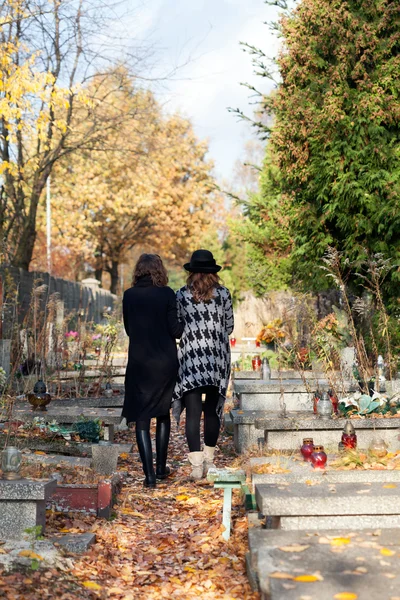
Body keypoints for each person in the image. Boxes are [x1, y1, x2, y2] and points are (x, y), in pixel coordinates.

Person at [122, 254, 183, 487]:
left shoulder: (129, 296)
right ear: (159, 270)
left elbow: (129, 329)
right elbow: (176, 331)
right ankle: (160, 469)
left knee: (142, 418)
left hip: (139, 363)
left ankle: (148, 477)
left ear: (138, 271)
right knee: (162, 412)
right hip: (165, 363)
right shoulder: (167, 294)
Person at [172, 249, 234, 479]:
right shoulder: (224, 294)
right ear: (213, 272)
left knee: (193, 413)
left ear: (191, 272)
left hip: (190, 358)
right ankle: (209, 461)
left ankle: (196, 467)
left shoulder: (181, 295)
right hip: (217, 358)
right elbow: (229, 327)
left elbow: (177, 327)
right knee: (211, 411)